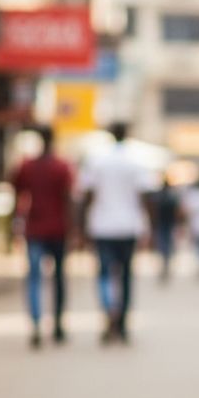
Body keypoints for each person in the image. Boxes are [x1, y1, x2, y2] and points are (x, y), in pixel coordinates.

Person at [78, 122, 155, 344]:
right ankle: (121, 323)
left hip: (102, 226)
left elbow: (87, 195)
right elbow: (145, 197)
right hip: (129, 226)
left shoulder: (97, 159)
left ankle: (109, 310)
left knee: (104, 274)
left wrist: (82, 226)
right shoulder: (136, 161)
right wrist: (149, 227)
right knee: (126, 277)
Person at [11, 125, 73, 348]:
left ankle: (36, 324)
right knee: (58, 279)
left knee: (34, 279)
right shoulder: (62, 166)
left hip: (35, 229)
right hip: (58, 228)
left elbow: (17, 193)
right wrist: (74, 228)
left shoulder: (27, 166)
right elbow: (69, 199)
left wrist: (15, 222)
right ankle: (57, 324)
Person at [151, 177, 180, 282]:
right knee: (166, 245)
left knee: (163, 245)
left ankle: (164, 265)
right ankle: (165, 265)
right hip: (167, 224)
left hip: (162, 224)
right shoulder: (172, 196)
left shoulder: (159, 196)